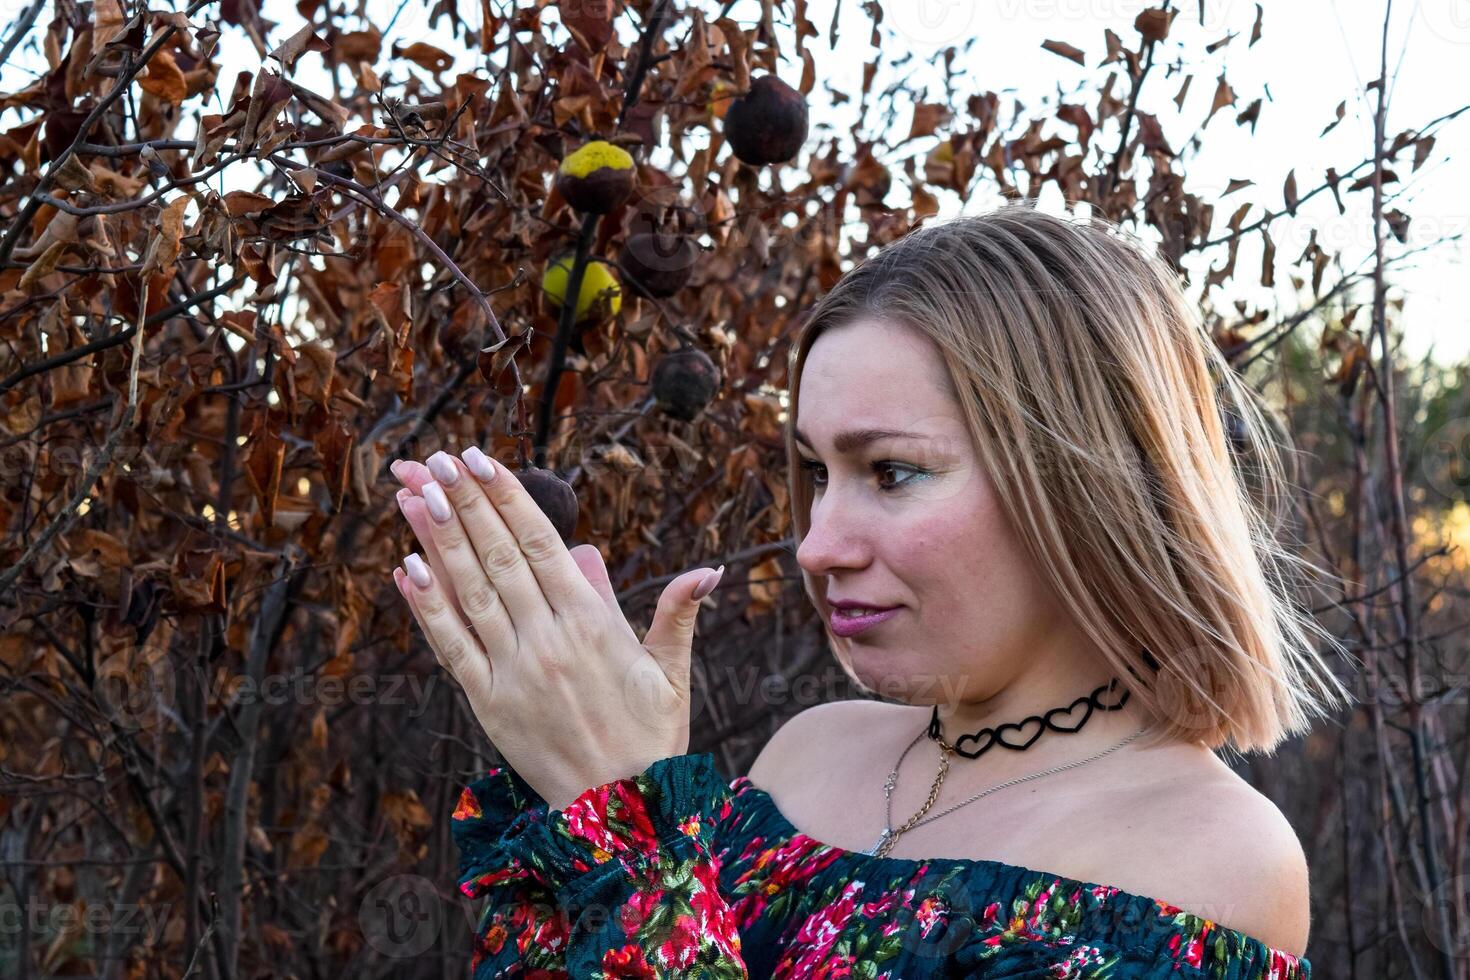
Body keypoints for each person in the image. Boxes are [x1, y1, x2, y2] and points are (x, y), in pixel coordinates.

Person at [388, 202, 1351, 977]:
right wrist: (570, 776)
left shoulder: (1211, 859)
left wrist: (625, 821)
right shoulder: (811, 754)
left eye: (890, 471)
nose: (816, 545)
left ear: (1082, 483)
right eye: (816, 472)